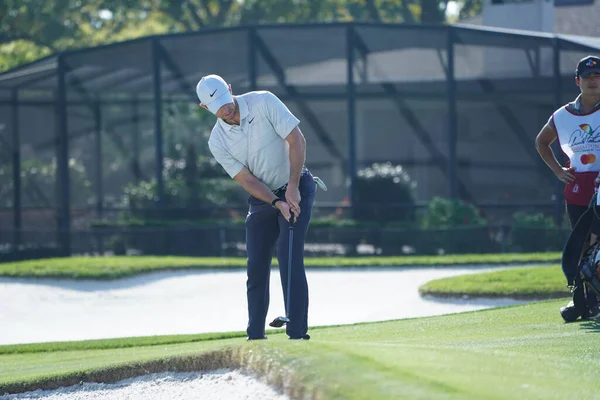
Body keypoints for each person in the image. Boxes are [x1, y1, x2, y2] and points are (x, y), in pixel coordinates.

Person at [196, 74, 316, 340]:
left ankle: (296, 332)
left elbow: (297, 140)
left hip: (296, 185)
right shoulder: (217, 141)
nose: (226, 109)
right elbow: (246, 179)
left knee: (289, 256)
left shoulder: (263, 102)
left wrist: (292, 188)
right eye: (218, 108)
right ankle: (255, 334)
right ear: (206, 108)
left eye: (226, 101)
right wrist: (275, 202)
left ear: (229, 88)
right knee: (257, 263)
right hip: (263, 198)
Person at [535, 55, 600, 321]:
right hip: (578, 187)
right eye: (588, 78)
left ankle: (595, 302)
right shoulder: (562, 116)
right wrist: (558, 171)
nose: (593, 82)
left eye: (597, 77)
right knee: (580, 246)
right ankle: (581, 303)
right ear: (578, 81)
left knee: (598, 246)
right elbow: (542, 142)